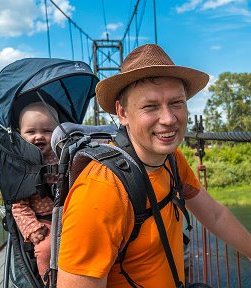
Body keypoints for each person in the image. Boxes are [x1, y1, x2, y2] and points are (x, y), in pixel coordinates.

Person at [56, 44, 251, 288]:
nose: (169, 119)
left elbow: (215, 215)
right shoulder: (100, 191)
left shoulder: (171, 158)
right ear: (122, 113)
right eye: (150, 106)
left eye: (176, 103)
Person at [12, 102, 58, 282]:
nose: (39, 136)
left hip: (67, 213)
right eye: (31, 132)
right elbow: (18, 206)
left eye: (47, 131)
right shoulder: (20, 166)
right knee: (45, 248)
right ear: (19, 133)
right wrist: (32, 228)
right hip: (41, 219)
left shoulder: (61, 154)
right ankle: (49, 282)